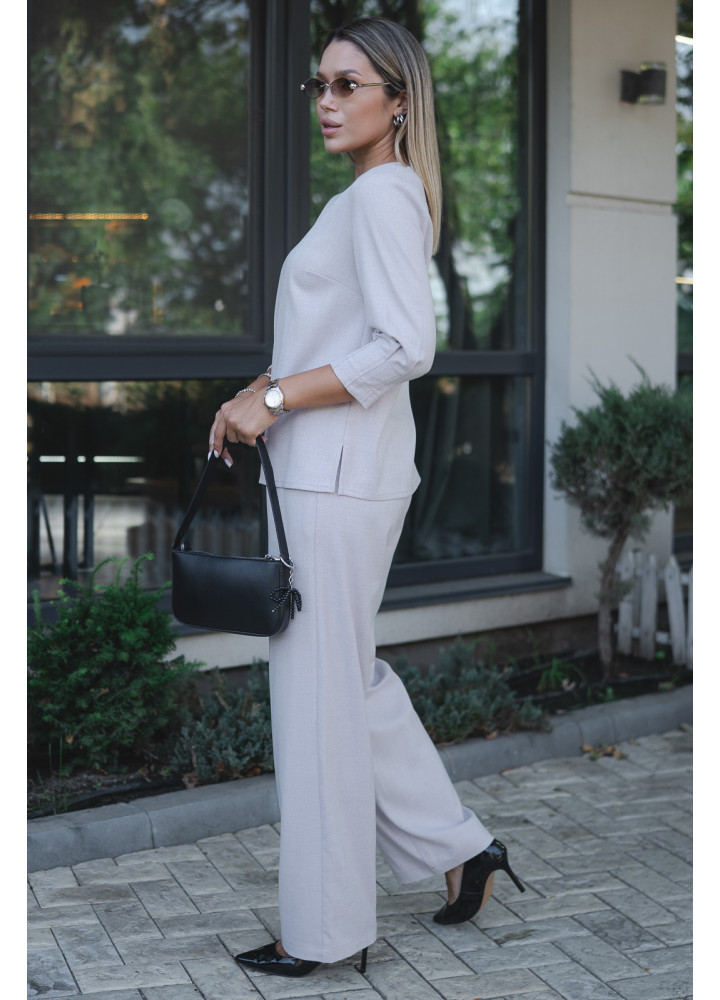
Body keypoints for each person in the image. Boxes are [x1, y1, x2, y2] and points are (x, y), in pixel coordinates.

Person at [208, 16, 524, 981]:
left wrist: (272, 401)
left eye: (350, 84)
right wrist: (258, 392)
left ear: (400, 100)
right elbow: (340, 339)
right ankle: (460, 849)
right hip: (332, 475)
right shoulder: (370, 196)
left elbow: (403, 348)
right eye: (322, 85)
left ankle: (326, 930)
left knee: (317, 705)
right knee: (344, 683)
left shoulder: (384, 195)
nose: (328, 101)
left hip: (334, 482)